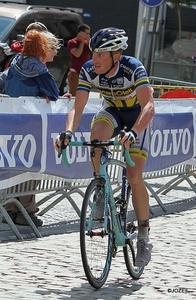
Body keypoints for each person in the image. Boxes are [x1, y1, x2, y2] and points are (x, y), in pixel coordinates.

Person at [54, 27, 155, 267]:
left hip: (137, 117)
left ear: (115, 56)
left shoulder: (132, 67)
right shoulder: (89, 69)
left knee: (134, 176)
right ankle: (100, 190)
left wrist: (134, 132)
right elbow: (77, 108)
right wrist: (68, 132)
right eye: (93, 53)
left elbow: (149, 106)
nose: (94, 60)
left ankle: (143, 236)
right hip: (112, 112)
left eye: (100, 55)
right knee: (97, 134)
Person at [3, 29, 71, 227]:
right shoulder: (39, 70)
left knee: (14, 166)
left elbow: (3, 82)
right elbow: (52, 92)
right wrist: (55, 97)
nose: (55, 53)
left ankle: (9, 209)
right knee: (32, 168)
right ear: (44, 48)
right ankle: (26, 212)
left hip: (12, 124)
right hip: (33, 126)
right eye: (53, 49)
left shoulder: (15, 63)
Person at [67, 24, 91, 96]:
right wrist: (82, 42)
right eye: (86, 33)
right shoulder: (72, 42)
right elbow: (77, 54)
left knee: (84, 94)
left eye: (88, 34)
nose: (87, 35)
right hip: (75, 72)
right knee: (74, 94)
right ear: (80, 33)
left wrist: (88, 40)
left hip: (85, 72)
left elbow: (94, 49)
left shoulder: (88, 43)